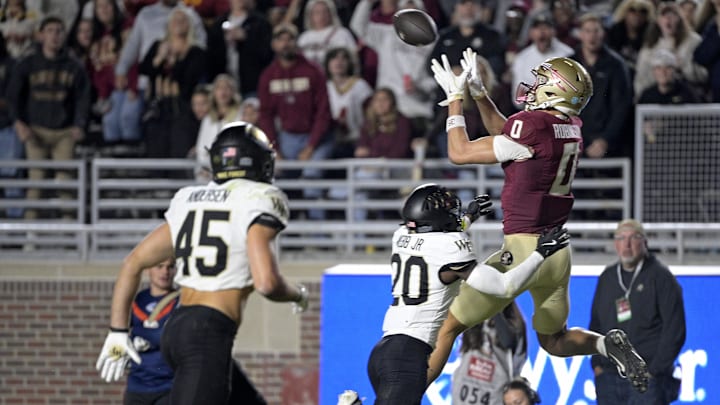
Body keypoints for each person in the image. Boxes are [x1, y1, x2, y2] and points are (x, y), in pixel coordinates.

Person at [426, 48, 651, 393]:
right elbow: (508, 134)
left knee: (447, 325)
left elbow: (460, 153)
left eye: (542, 81)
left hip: (522, 248)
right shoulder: (570, 125)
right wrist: (480, 94)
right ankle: (606, 345)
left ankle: (402, 397)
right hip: (557, 252)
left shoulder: (530, 126)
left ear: (557, 90)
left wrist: (455, 100)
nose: (533, 86)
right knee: (554, 340)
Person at [96, 121, 309, 404]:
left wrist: (117, 331)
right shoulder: (260, 198)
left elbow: (133, 262)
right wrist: (297, 294)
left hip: (178, 325)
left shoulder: (189, 198)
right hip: (207, 331)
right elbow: (266, 283)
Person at [367, 183, 571, 405]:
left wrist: (469, 218)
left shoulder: (402, 235)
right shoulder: (450, 247)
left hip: (382, 352)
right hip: (408, 355)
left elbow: (435, 234)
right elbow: (505, 287)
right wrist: (540, 254)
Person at [589, 219, 686, 405]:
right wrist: (597, 366)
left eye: (633, 238)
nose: (627, 244)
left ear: (645, 242)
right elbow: (596, 325)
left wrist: (654, 371)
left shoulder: (661, 277)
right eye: (621, 238)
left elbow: (675, 330)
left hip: (647, 378)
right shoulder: (607, 277)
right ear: (615, 244)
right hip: (609, 377)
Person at [7, 15, 91, 220]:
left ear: (64, 36)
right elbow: (12, 96)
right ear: (41, 35)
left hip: (64, 132)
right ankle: (31, 238)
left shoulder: (74, 65)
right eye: (50, 31)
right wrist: (18, 122)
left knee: (66, 184)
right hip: (36, 130)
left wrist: (79, 124)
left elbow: (83, 97)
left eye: (59, 31)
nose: (55, 36)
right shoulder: (27, 63)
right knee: (36, 184)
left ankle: (71, 235)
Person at [124, 258, 179, 405]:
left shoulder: (180, 301)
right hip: (137, 384)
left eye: (170, 267)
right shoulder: (139, 299)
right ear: (148, 269)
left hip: (167, 385)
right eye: (159, 266)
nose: (165, 272)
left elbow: (172, 337)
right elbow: (121, 336)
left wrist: (145, 336)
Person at [452, 302, 528, 405]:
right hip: (463, 395)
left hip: (494, 396)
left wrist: (494, 306)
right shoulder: (473, 319)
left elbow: (508, 341)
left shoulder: (515, 325)